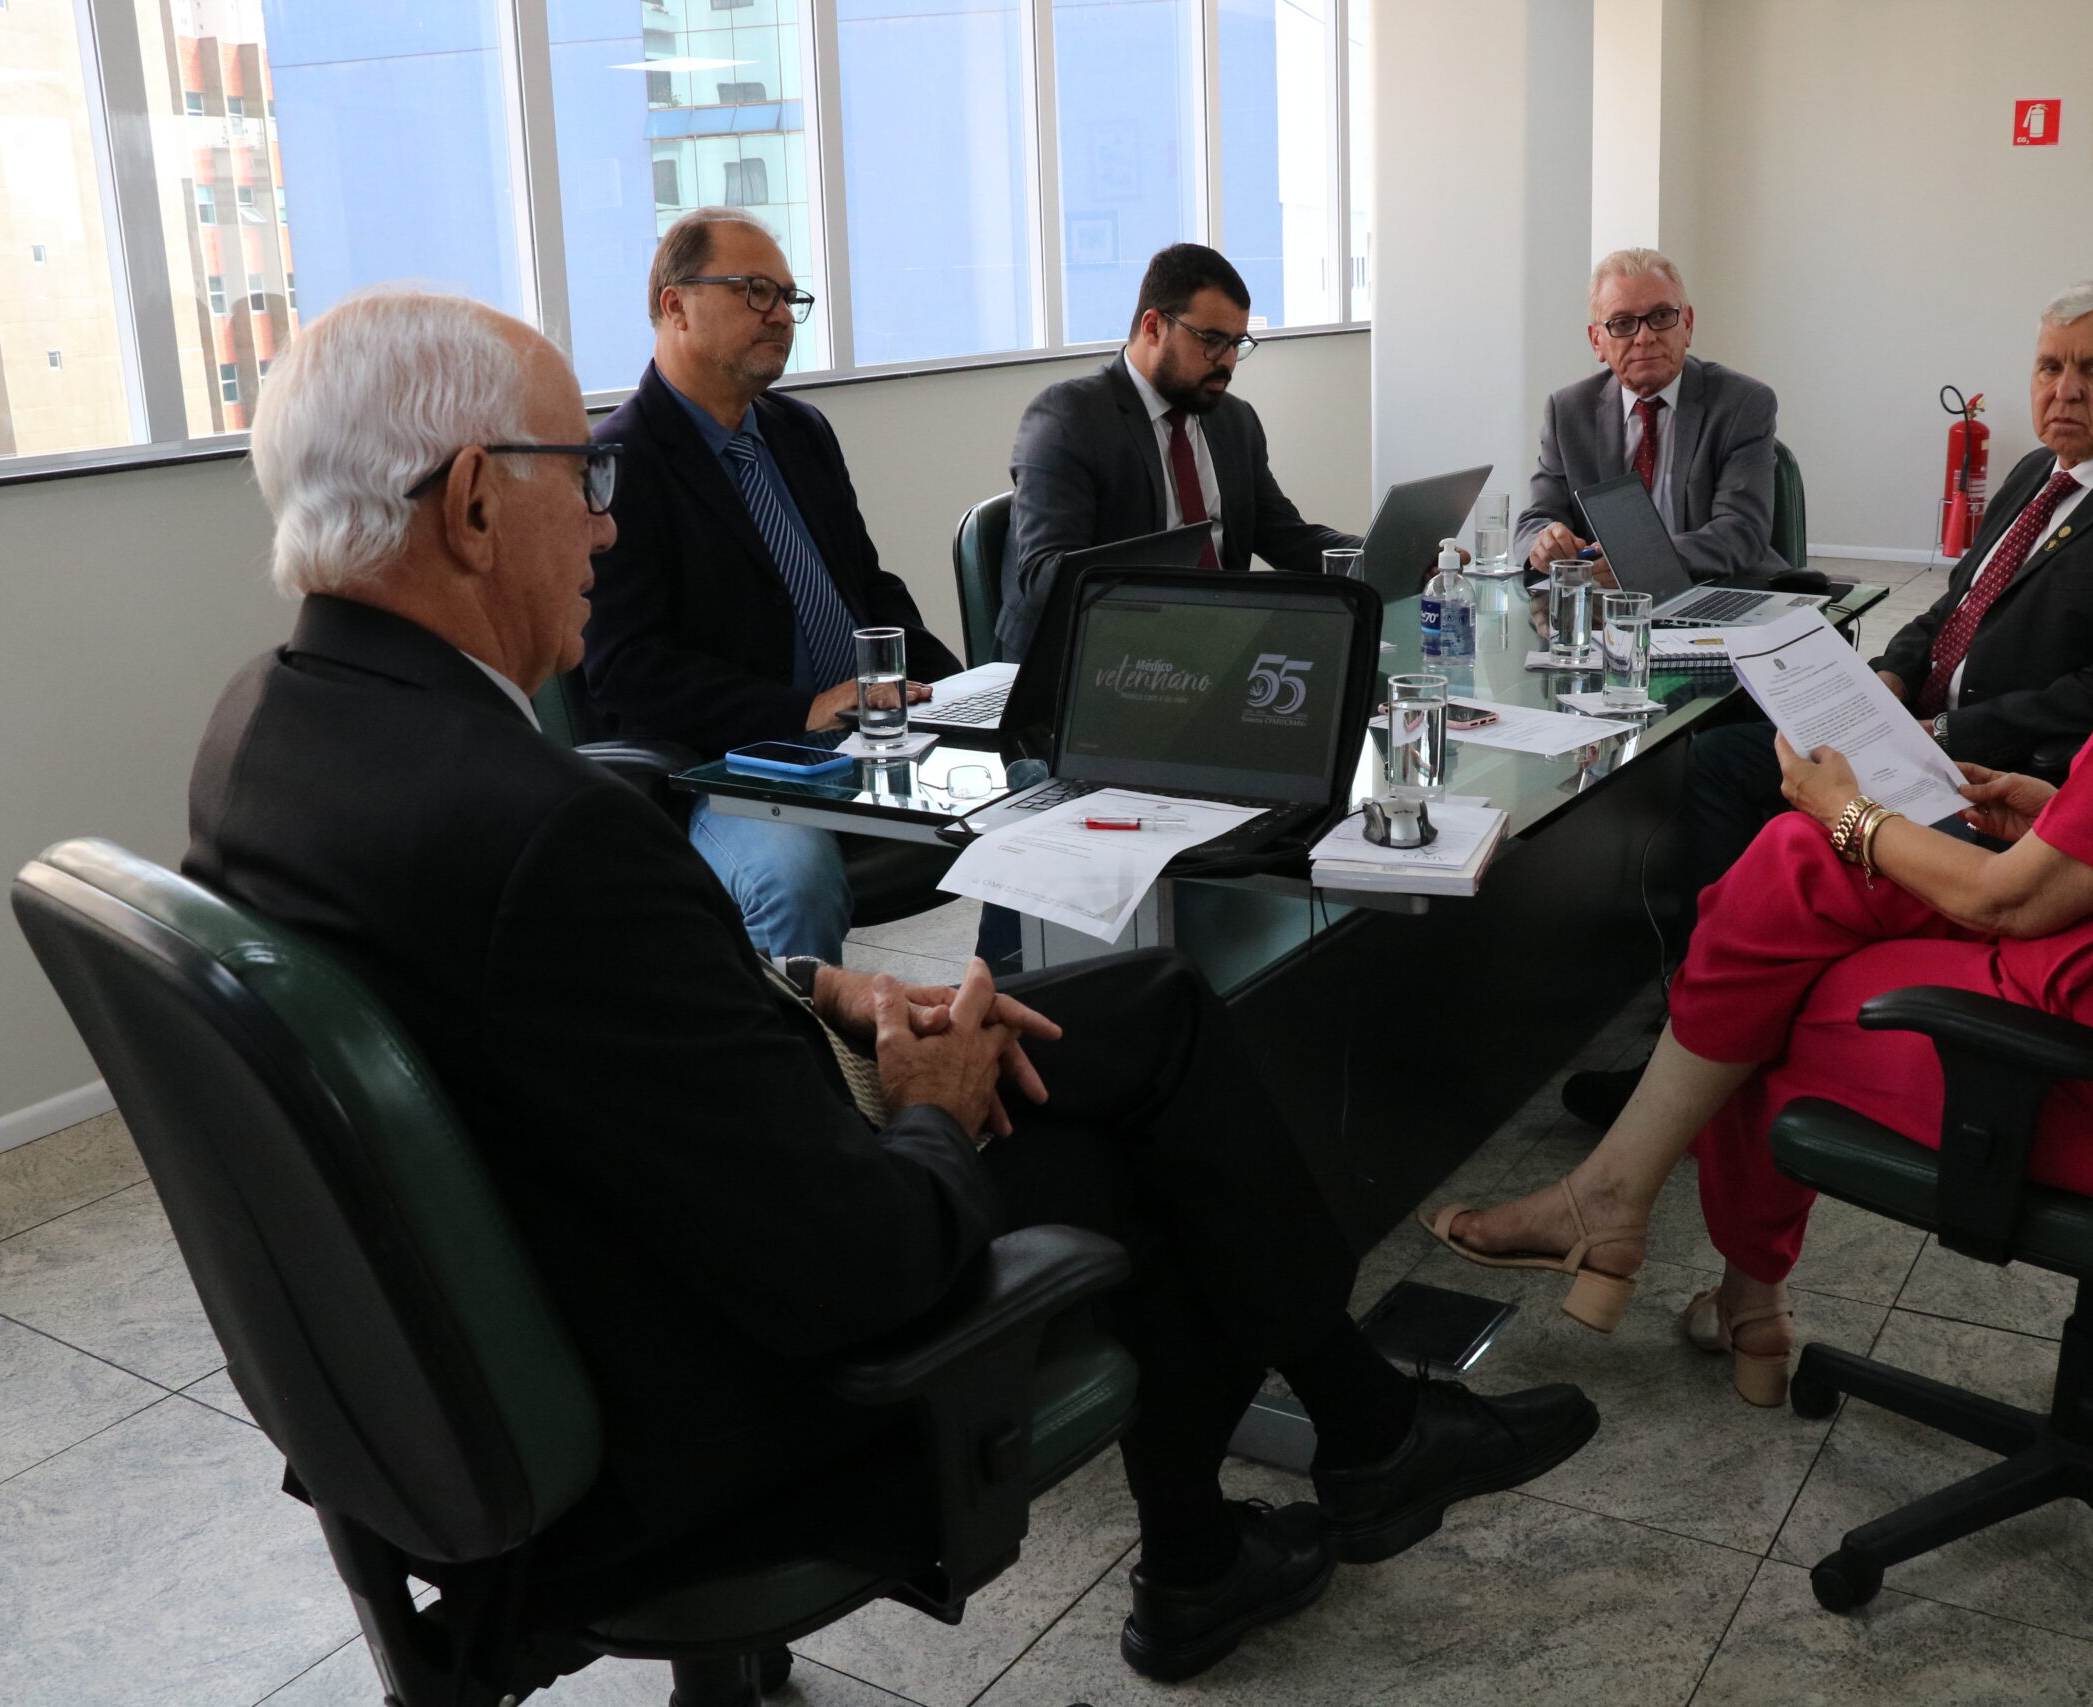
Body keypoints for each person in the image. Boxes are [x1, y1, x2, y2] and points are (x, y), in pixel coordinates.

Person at [192, 288, 1596, 1681]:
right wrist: (926, 1106)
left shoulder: (264, 731)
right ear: (476, 502)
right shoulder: (544, 827)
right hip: (706, 1401)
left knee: (1152, 1008)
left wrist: (818, 989)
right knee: (1159, 1155)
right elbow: (862, 1260)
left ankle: (1340, 1448)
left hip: (520, 1296)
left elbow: (547, 1016)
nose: (607, 524)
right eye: (586, 474)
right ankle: (1247, 1520)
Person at [1427, 310, 2093, 1406]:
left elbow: (2008, 906)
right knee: (1790, 872)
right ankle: (1664, 1242)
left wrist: (1848, 810)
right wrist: (2064, 806)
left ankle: (1688, 1254)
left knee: (1774, 985)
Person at [1560, 282, 2093, 1130]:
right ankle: (1698, 1012)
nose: (2065, 390)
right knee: (1724, 753)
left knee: (1795, 835)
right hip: (1921, 728)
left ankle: (1712, 1037)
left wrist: (1941, 730)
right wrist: (1889, 683)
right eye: (2049, 366)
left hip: (2001, 775)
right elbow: (1951, 609)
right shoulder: (2031, 473)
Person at [579, 207, 961, 962]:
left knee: (1030, 785)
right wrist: (803, 708)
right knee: (794, 881)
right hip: (717, 771)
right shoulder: (619, 460)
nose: (782, 315)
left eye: (789, 297)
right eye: (756, 292)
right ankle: (804, 1076)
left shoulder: (800, 431)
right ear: (675, 304)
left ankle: (1023, 1015)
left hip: (856, 739)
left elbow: (868, 590)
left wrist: (960, 689)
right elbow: (625, 670)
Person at [998, 244, 1360, 662]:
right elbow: (1046, 576)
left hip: (1213, 651)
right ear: (1153, 327)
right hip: (1090, 663)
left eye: (1236, 344)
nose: (1226, 362)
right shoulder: (1068, 418)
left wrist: (1384, 553)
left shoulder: (1233, 421)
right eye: (1211, 341)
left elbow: (1284, 534)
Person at [1516, 247, 1784, 579]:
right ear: (1597, 341)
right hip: (1606, 605)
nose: (1645, 337)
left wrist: (1641, 562)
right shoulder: (1568, 412)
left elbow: (1742, 531)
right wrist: (1545, 541)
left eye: (1661, 316)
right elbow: (1536, 519)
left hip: (1716, 591)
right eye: (1623, 323)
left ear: (1686, 324)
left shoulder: (1742, 403)